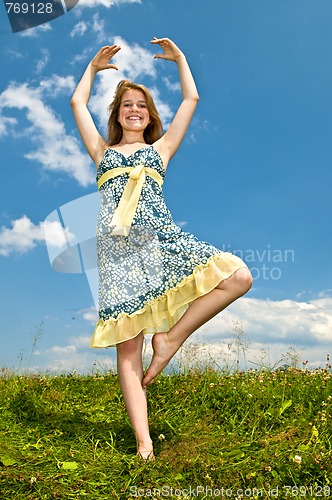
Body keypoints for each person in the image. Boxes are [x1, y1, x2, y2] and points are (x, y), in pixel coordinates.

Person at [70, 37, 252, 460]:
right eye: (126, 105)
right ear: (117, 114)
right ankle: (144, 443)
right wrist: (92, 71)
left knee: (238, 276)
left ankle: (170, 339)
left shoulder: (161, 150)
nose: (134, 110)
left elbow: (191, 97)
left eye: (142, 105)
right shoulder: (102, 152)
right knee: (129, 346)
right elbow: (78, 104)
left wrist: (182, 59)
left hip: (161, 240)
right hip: (117, 252)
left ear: (150, 116)